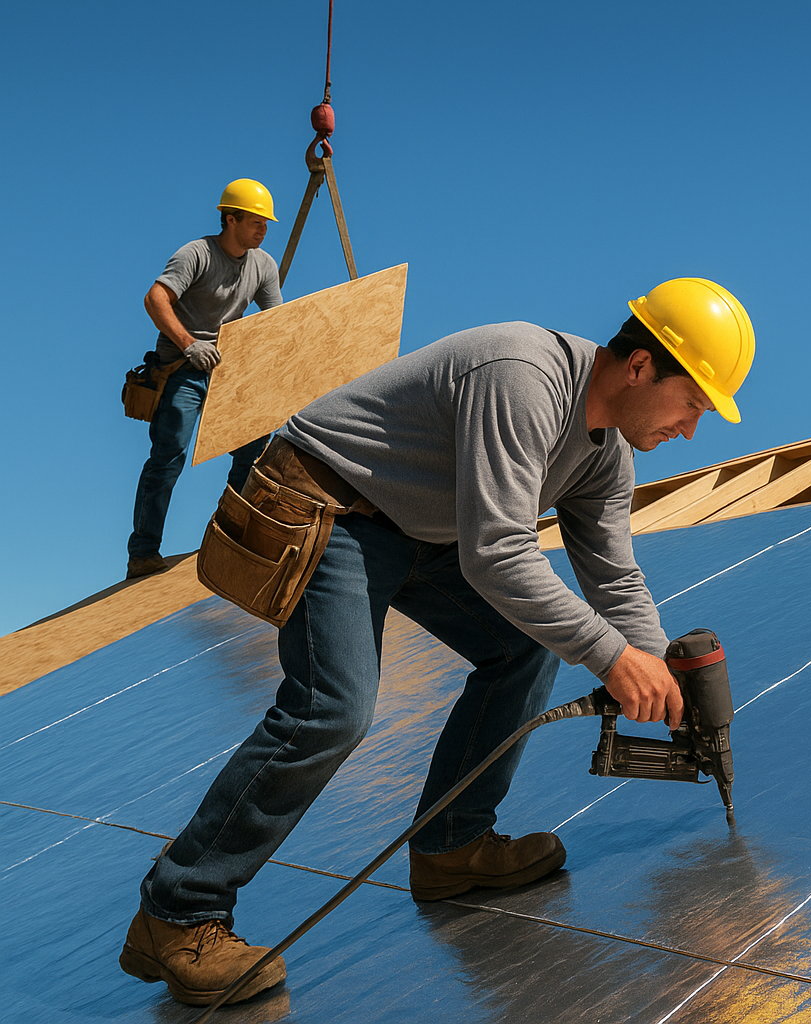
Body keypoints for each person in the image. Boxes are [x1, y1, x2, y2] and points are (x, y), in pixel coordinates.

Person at [117, 277, 756, 1007]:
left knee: (524, 646)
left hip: (421, 529)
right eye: (693, 404)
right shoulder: (524, 376)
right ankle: (178, 909)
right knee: (334, 707)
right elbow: (497, 553)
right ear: (641, 366)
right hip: (328, 498)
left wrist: (657, 664)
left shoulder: (606, 455)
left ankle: (451, 848)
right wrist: (612, 658)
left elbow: (614, 575)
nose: (692, 430)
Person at [126, 178, 283, 579]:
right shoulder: (195, 254)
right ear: (230, 219)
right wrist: (188, 342)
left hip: (227, 371)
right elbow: (155, 299)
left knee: (254, 449)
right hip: (183, 368)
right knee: (169, 456)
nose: (263, 230)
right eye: (255, 222)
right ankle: (143, 553)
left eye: (266, 223)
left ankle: (228, 536)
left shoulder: (264, 265)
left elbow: (275, 324)